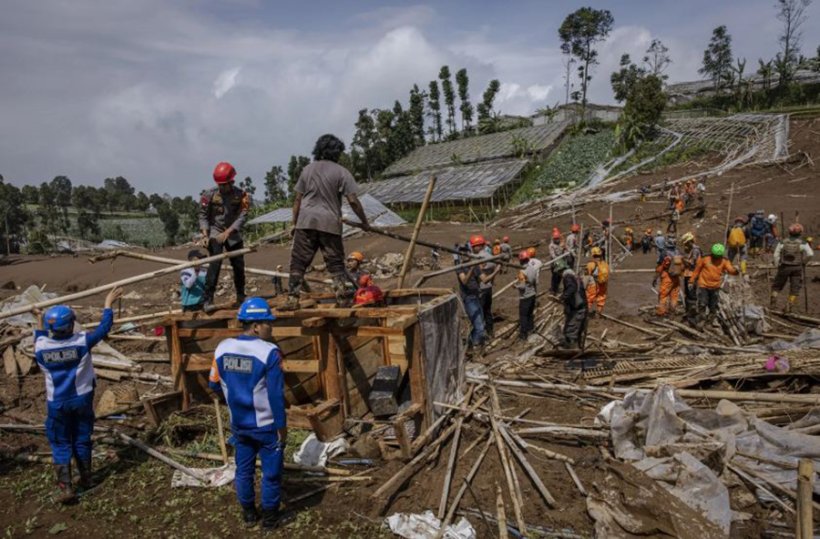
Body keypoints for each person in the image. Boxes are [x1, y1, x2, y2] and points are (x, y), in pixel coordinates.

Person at [34, 287, 124, 503]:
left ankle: (66, 487)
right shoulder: (82, 342)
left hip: (57, 402)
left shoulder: (40, 348)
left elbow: (40, 335)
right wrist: (107, 304)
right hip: (82, 398)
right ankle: (86, 478)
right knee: (82, 438)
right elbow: (104, 328)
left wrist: (40, 319)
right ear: (71, 324)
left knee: (60, 442)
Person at [208, 298, 286, 530]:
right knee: (271, 474)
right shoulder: (270, 352)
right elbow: (276, 396)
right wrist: (282, 427)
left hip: (239, 424)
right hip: (266, 426)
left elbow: (213, 384)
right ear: (256, 326)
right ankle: (270, 519)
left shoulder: (222, 348)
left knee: (244, 470)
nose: (270, 328)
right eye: (267, 323)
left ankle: (249, 514)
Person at [286, 134, 371, 310]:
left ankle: (292, 299)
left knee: (298, 262)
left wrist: (294, 224)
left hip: (306, 222)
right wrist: (365, 222)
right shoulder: (342, 172)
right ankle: (342, 300)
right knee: (335, 264)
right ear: (336, 152)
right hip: (330, 224)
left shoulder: (307, 170)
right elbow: (354, 201)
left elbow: (297, 201)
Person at [199, 161, 251, 313]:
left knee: (238, 265)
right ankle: (208, 299)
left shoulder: (241, 195)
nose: (222, 187)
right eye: (220, 185)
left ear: (231, 182)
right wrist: (205, 234)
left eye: (225, 184)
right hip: (215, 231)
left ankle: (241, 296)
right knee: (214, 264)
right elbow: (203, 216)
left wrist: (228, 232)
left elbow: (243, 215)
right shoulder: (208, 195)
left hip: (232, 233)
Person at [690, 243, 739, 328]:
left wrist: (736, 271)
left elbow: (730, 270)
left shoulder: (724, 261)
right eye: (715, 256)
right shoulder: (705, 259)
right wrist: (691, 281)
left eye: (718, 256)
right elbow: (696, 271)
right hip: (703, 285)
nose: (717, 258)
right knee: (702, 303)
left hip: (715, 286)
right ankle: (702, 320)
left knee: (713, 306)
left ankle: (709, 322)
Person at [771, 223, 814, 313]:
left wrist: (777, 264)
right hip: (797, 267)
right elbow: (810, 254)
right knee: (795, 287)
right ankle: (789, 306)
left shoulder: (782, 242)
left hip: (784, 267)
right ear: (800, 233)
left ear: (789, 232)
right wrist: (804, 262)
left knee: (777, 286)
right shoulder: (803, 243)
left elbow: (776, 255)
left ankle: (773, 304)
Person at [458, 235, 487, 353]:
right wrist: (472, 267)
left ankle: (469, 345)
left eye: (466, 253)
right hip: (468, 299)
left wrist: (496, 270)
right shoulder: (460, 267)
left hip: (477, 296)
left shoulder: (474, 265)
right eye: (462, 254)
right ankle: (474, 348)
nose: (464, 255)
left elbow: (484, 279)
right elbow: (464, 281)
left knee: (480, 325)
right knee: (479, 328)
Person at [476, 235, 501, 338]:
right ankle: (490, 332)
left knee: (480, 312)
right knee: (487, 311)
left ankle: (481, 335)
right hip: (489, 288)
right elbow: (494, 270)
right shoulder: (491, 257)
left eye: (474, 246)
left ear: (479, 246)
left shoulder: (477, 258)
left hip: (481, 288)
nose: (473, 248)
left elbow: (478, 275)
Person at [560, 267, 588, 349]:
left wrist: (563, 297)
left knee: (571, 329)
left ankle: (572, 348)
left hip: (578, 308)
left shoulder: (568, 277)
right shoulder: (575, 278)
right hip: (580, 306)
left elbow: (572, 288)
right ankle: (578, 346)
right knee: (578, 329)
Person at [514, 250, 538, 341]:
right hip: (532, 294)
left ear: (521, 260)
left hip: (525, 296)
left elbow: (522, 286)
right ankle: (531, 329)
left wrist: (516, 286)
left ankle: (523, 334)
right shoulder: (532, 268)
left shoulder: (522, 271)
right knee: (530, 314)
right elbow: (534, 282)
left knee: (523, 316)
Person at [680, 232, 703, 321]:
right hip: (688, 274)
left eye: (686, 243)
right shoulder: (692, 250)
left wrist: (684, 260)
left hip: (692, 275)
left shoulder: (695, 250)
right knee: (688, 294)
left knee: (691, 294)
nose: (685, 245)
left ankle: (692, 314)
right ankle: (689, 311)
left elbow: (693, 263)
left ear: (689, 242)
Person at [654, 252, 683, 317]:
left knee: (663, 295)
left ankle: (661, 312)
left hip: (667, 278)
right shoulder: (677, 252)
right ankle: (672, 311)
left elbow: (660, 268)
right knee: (674, 296)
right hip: (676, 278)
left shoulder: (664, 255)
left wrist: (655, 278)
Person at [584, 247, 609, 316]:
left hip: (593, 284)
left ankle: (585, 313)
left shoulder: (590, 264)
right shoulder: (605, 264)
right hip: (603, 284)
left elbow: (586, 276)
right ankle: (599, 312)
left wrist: (583, 287)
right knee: (601, 298)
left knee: (589, 299)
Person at [548, 230, 569, 294]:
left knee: (560, 276)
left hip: (562, 262)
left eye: (558, 238)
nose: (557, 240)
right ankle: (553, 289)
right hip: (555, 263)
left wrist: (565, 252)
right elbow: (553, 255)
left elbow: (565, 250)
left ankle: (557, 288)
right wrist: (558, 261)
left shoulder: (561, 243)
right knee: (555, 276)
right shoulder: (551, 245)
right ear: (554, 239)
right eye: (556, 239)